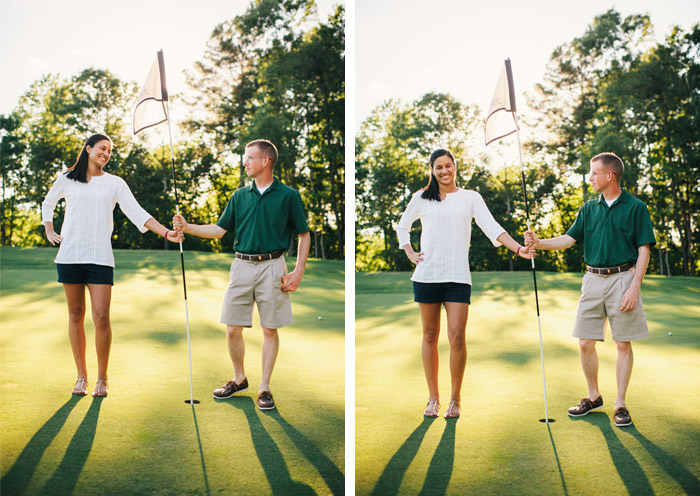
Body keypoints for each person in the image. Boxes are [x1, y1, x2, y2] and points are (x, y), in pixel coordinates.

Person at [42, 133, 183, 397]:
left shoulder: (115, 183)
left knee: (102, 317)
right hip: (70, 256)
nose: (106, 153)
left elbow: (137, 212)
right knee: (75, 315)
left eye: (109, 150)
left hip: (100, 258)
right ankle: (81, 376)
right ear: (88, 149)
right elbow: (48, 203)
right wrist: (49, 229)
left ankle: (102, 378)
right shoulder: (66, 179)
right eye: (101, 148)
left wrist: (166, 232)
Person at [173, 139, 310, 411]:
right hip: (241, 266)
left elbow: (304, 234)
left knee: (269, 329)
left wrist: (298, 271)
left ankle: (264, 388)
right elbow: (219, 230)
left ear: (265, 161)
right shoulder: (239, 196)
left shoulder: (288, 195)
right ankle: (239, 378)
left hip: (273, 266)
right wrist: (187, 227)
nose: (245, 162)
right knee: (233, 328)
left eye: (249, 157)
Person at [395, 148, 532, 419]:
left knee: (457, 336)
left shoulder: (471, 198)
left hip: (458, 277)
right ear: (432, 170)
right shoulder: (421, 198)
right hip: (427, 276)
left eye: (448, 166)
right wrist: (410, 252)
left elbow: (492, 227)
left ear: (455, 167)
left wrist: (518, 249)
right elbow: (402, 226)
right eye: (438, 167)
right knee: (430, 335)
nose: (444, 171)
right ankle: (433, 398)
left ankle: (454, 399)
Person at [524, 152, 655, 427]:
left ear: (609, 176)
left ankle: (620, 404)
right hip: (592, 279)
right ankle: (593, 396)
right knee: (585, 342)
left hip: (623, 277)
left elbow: (644, 250)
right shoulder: (588, 208)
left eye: (594, 173)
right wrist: (539, 242)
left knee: (622, 343)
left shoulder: (636, 207)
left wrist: (634, 286)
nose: (590, 177)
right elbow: (569, 239)